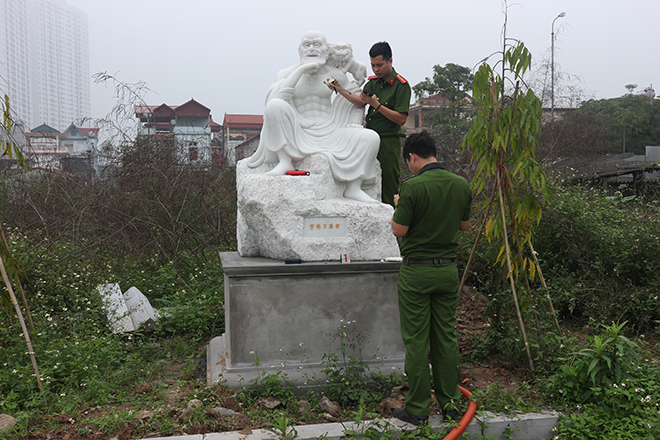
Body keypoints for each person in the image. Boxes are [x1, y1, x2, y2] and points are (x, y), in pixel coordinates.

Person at [390, 131, 472, 425]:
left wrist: (400, 203)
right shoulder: (460, 184)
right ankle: (451, 406)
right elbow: (463, 225)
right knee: (446, 338)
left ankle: (418, 409)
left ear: (412, 157)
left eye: (408, 162)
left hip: (416, 272)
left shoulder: (412, 187)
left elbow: (399, 230)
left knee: (416, 341)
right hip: (447, 271)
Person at [246, 31, 381, 203]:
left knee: (370, 138)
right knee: (274, 105)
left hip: (331, 129)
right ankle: (285, 160)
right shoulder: (287, 74)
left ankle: (354, 187)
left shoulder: (334, 74)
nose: (311, 49)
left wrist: (354, 122)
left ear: (326, 50)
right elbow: (276, 98)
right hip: (298, 130)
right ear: (299, 49)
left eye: (317, 45)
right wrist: (302, 69)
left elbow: (356, 101)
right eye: (307, 45)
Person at [329, 41, 411, 207]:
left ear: (390, 61)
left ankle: (391, 227)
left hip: (387, 142)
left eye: (379, 65)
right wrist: (339, 88)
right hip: (368, 141)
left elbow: (401, 119)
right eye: (373, 65)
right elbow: (360, 102)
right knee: (369, 183)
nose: (376, 69)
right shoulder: (373, 83)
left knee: (388, 187)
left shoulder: (401, 86)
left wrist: (377, 105)